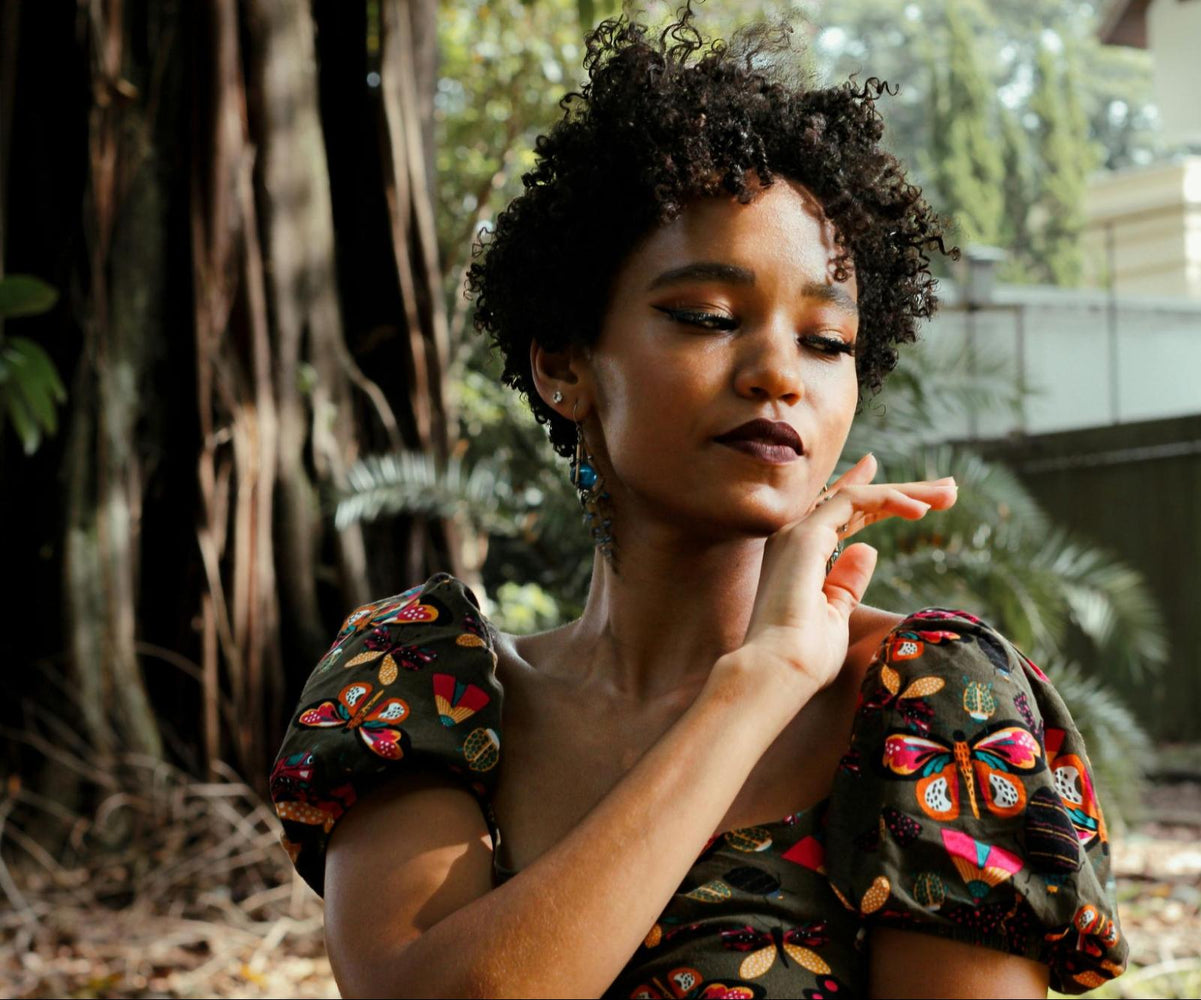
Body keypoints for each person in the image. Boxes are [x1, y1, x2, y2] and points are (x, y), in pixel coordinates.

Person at [268, 5, 1127, 997]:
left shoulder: (929, 704)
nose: (777, 374)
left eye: (826, 340)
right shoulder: (419, 680)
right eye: (709, 317)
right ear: (562, 363)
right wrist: (755, 684)